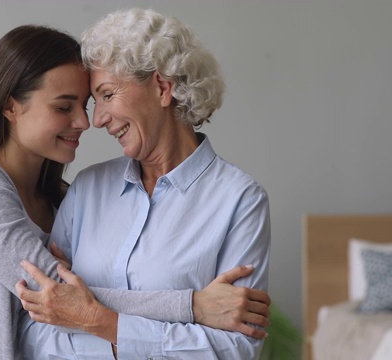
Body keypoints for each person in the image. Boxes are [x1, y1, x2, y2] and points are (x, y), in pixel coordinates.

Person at [0, 24, 269, 360]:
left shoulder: (61, 197)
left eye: (99, 98)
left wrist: (97, 322)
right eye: (65, 106)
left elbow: (68, 308)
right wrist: (194, 307)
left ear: (162, 88)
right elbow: (52, 309)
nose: (90, 121)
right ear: (10, 106)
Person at [16, 8, 271, 360]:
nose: (98, 119)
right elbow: (34, 328)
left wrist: (95, 320)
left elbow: (234, 350)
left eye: (107, 94)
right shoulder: (87, 190)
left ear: (162, 88)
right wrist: (149, 335)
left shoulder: (240, 200)